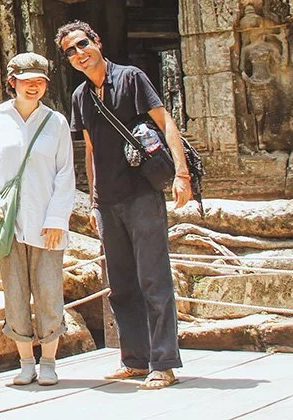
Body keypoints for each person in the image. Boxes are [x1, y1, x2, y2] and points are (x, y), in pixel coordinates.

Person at [57, 20, 191, 391]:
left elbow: (166, 123)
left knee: (153, 277)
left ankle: (163, 361)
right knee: (120, 284)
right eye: (70, 52)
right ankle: (134, 358)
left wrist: (182, 175)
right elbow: (91, 150)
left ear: (97, 41)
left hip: (142, 194)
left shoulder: (131, 78)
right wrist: (92, 198)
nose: (79, 54)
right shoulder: (81, 97)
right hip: (108, 200)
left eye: (82, 45)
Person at [0, 52, 76, 387]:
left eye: (40, 81)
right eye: (27, 80)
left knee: (49, 292)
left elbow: (65, 174)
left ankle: (49, 361)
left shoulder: (56, 122)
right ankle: (25, 361)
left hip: (48, 222)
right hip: (8, 222)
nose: (33, 86)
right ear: (12, 81)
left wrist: (58, 217)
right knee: (15, 293)